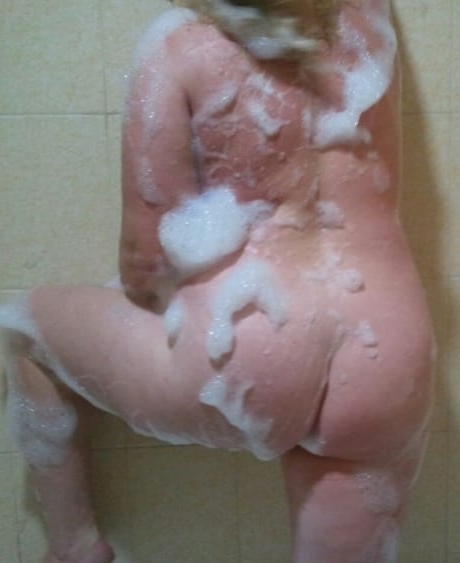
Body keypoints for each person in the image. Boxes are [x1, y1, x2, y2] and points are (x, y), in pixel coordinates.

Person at [0, 1, 435, 561]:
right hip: (387, 349)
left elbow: (146, 264)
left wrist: (159, 315)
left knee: (23, 331)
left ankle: (74, 547)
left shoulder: (180, 48)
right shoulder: (368, 22)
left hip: (250, 342)